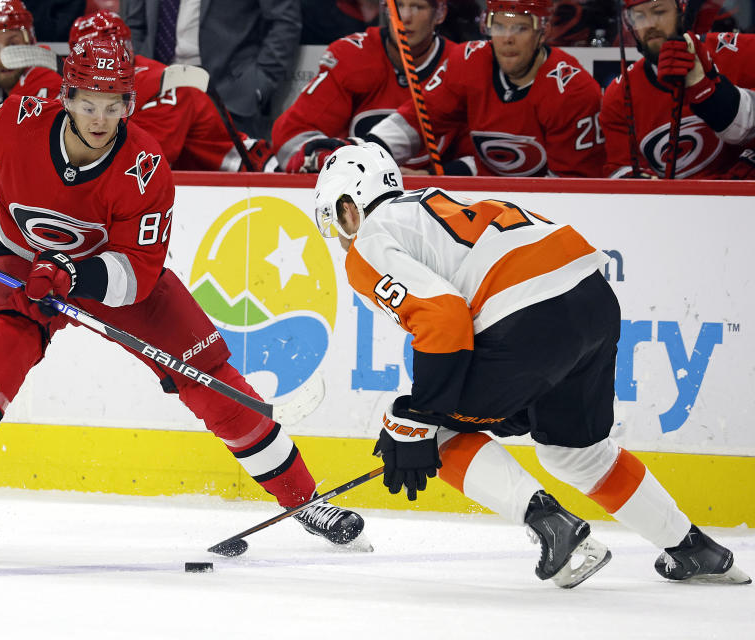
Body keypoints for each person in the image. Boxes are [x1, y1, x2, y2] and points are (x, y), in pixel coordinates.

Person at [0, 37, 367, 550]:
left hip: (112, 274)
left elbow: (139, 269)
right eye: (88, 104)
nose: (99, 118)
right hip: (23, 259)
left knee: (206, 375)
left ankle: (307, 501)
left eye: (113, 106)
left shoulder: (146, 166)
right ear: (64, 97)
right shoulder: (21, 120)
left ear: (130, 106)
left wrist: (73, 274)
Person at [313, 142, 752, 585]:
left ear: (351, 207)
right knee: (575, 453)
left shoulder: (370, 240)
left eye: (336, 223)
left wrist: (422, 418)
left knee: (416, 427)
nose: (342, 238)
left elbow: (443, 317)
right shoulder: (436, 205)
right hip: (593, 300)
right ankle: (692, 546)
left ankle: (555, 528)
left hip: (527, 317)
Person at [363, 0, 605, 177]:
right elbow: (421, 119)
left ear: (542, 32)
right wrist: (366, 154)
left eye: (520, 28)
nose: (507, 38)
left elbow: (573, 188)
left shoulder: (573, 90)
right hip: (486, 194)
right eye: (499, 27)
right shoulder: (468, 62)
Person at [70, 10, 275, 171]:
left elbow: (142, 160)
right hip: (200, 187)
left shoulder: (168, 84)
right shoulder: (89, 90)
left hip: (248, 179)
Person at [275, 0, 463, 173]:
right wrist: (336, 163)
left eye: (417, 7)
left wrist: (435, 176)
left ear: (439, 13)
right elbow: (291, 134)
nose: (405, 17)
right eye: (398, 6)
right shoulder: (352, 56)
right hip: (355, 195)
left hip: (439, 199)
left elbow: (485, 157)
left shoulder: (462, 64)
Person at [600, 0, 755, 179]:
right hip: (670, 206)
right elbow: (620, 167)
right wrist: (636, 183)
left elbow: (743, 130)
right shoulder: (620, 95)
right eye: (639, 17)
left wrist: (708, 91)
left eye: (659, 12)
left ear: (682, 12)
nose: (650, 25)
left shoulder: (738, 52)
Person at [123, 0, 302, 139]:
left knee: (229, 183)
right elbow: (135, 23)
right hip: (157, 91)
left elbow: (285, 21)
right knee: (149, 178)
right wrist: (141, 76)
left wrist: (260, 81)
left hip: (229, 92)